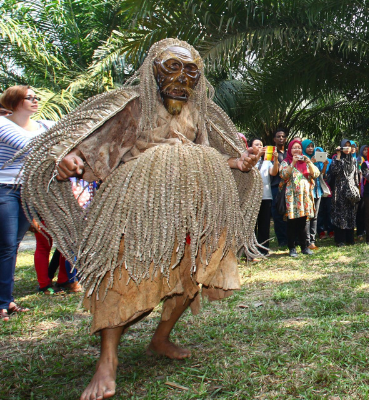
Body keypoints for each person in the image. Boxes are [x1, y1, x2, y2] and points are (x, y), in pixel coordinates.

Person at [18, 39, 262, 399]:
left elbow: (208, 152)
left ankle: (160, 339)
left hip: (191, 210)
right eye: (171, 68)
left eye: (190, 71)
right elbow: (93, 148)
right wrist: (69, 162)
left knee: (194, 272)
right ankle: (107, 362)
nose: (181, 78)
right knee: (122, 277)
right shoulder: (134, 107)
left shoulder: (198, 112)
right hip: (136, 211)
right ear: (153, 70)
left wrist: (239, 163)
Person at [0, 85, 53, 320]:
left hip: (27, 190)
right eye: (28, 97)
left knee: (14, 245)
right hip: (5, 189)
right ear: (14, 101)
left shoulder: (43, 125)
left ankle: (7, 300)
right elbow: (32, 147)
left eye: (36, 97)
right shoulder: (2, 124)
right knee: (7, 246)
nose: (35, 100)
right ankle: (3, 302)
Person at [280, 138, 320, 257]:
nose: (296, 150)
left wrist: (309, 162)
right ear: (290, 150)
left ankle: (304, 246)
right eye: (294, 148)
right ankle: (292, 248)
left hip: (304, 197)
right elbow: (283, 174)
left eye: (298, 148)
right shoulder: (286, 162)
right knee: (292, 223)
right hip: (291, 197)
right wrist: (293, 163)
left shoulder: (305, 162)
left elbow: (316, 174)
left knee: (303, 223)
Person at [330, 139, 361, 246]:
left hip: (351, 190)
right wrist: (338, 156)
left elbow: (356, 175)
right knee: (340, 213)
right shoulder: (337, 159)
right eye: (345, 146)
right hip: (340, 190)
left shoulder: (353, 160)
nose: (347, 148)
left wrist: (357, 189)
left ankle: (350, 238)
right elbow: (334, 171)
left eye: (349, 146)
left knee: (350, 213)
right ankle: (340, 239)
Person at [302, 139, 326, 250]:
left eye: (312, 146)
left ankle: (312, 240)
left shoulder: (317, 160)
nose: (310, 148)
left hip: (317, 191)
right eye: (308, 146)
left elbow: (321, 174)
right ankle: (306, 241)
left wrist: (324, 164)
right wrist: (309, 162)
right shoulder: (302, 160)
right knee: (308, 216)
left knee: (315, 217)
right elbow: (304, 175)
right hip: (307, 191)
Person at [252, 138, 272, 257]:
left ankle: (263, 250)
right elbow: (248, 168)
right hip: (252, 196)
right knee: (252, 224)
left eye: (261, 145)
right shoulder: (248, 158)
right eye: (256, 145)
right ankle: (252, 250)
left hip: (266, 196)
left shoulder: (267, 161)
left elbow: (273, 173)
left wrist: (274, 161)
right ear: (251, 147)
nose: (259, 146)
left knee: (264, 224)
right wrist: (258, 155)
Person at [270, 128, 289, 248]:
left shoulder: (289, 153)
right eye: (278, 136)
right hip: (276, 186)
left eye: (283, 136)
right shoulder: (270, 153)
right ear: (274, 139)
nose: (281, 138)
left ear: (286, 139)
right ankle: (282, 240)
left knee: (289, 213)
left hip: (289, 186)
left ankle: (291, 238)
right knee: (278, 213)